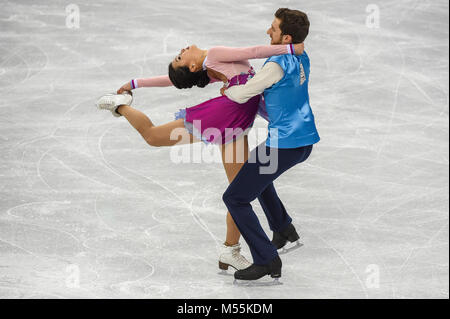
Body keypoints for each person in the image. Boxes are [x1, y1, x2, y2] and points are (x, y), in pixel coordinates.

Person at [96, 42, 304, 271]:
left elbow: (173, 80)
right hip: (223, 116)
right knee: (153, 136)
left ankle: (230, 250)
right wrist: (290, 49)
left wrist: (135, 83)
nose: (183, 49)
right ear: (193, 66)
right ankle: (121, 106)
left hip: (236, 123)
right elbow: (251, 53)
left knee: (239, 192)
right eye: (179, 57)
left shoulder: (212, 66)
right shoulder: (213, 55)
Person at [221, 8, 320, 282]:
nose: (268, 31)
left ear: (285, 36)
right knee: (256, 174)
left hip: (284, 144)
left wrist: (227, 89)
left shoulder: (277, 64)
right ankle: (283, 228)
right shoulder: (301, 56)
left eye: (273, 29)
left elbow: (244, 93)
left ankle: (266, 259)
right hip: (303, 140)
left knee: (235, 198)